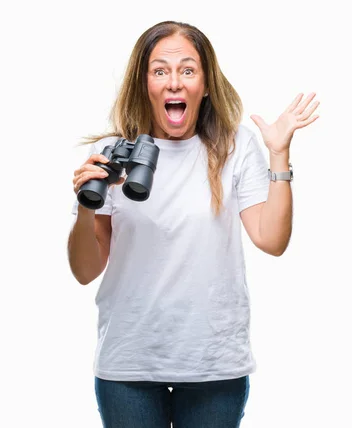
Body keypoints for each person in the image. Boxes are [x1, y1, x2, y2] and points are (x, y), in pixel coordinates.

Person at [67, 20, 319, 428]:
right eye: (160, 70)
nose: (174, 83)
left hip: (213, 364)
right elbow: (84, 271)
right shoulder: (110, 153)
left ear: (205, 84)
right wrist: (84, 207)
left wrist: (279, 155)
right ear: (143, 82)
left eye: (187, 70)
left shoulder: (234, 147)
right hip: (129, 363)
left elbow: (272, 240)